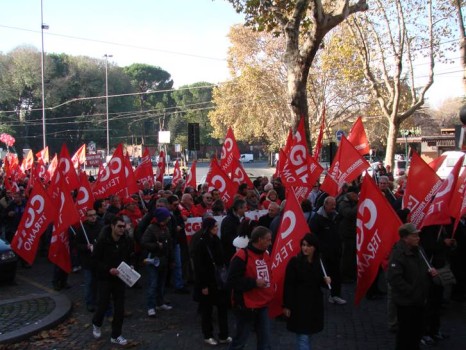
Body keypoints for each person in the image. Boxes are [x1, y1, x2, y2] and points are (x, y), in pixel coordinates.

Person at [387, 223, 438, 350]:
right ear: (405, 238)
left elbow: (424, 267)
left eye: (418, 235)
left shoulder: (419, 250)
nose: (418, 238)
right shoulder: (398, 253)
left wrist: (430, 272)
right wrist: (412, 292)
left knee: (416, 333)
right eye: (414, 235)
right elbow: (395, 279)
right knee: (405, 335)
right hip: (406, 302)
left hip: (419, 300)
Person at [227, 226, 275, 350]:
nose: (270, 243)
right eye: (268, 240)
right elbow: (232, 281)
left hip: (263, 304)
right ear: (260, 240)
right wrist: (254, 283)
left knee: (265, 342)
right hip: (246, 306)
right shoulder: (242, 256)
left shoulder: (266, 254)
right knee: (240, 341)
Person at [283, 233, 331, 350]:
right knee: (303, 336)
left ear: (315, 247)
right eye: (303, 245)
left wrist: (326, 281)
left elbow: (320, 282)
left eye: (308, 245)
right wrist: (287, 305)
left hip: (314, 303)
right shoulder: (294, 262)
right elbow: (288, 285)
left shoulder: (319, 262)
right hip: (299, 304)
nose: (305, 248)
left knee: (308, 334)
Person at [92, 216, 134, 346]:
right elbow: (95, 261)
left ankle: (116, 335)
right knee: (103, 305)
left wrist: (130, 265)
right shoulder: (102, 241)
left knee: (120, 308)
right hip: (105, 278)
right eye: (119, 226)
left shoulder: (126, 240)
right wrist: (108, 269)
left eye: (124, 226)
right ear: (112, 226)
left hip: (119, 278)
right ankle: (97, 323)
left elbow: (129, 255)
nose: (122, 229)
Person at [192, 217, 231, 346]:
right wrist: (203, 285)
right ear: (208, 228)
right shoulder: (201, 243)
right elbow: (199, 266)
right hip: (208, 281)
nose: (216, 228)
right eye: (214, 226)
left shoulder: (216, 240)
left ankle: (224, 335)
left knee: (222, 309)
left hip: (219, 280)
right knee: (207, 311)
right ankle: (208, 335)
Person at [309, 196, 346, 304]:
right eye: (332, 205)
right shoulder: (317, 219)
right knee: (321, 274)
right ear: (325, 205)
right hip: (323, 252)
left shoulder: (336, 216)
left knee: (336, 273)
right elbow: (312, 235)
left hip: (336, 250)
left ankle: (335, 295)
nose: (334, 207)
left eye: (335, 205)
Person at [141, 207, 173, 317]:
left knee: (161, 283)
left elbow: (169, 244)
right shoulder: (151, 228)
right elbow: (144, 242)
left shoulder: (165, 228)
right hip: (153, 260)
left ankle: (160, 303)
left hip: (163, 259)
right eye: (166, 217)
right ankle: (151, 306)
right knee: (153, 284)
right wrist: (156, 246)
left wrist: (170, 258)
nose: (169, 218)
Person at [76, 208, 103, 312]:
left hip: (98, 260)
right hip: (87, 260)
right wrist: (86, 247)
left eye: (94, 215)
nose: (93, 217)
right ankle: (89, 302)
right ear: (86, 217)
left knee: (97, 282)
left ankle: (97, 300)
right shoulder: (82, 228)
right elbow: (77, 245)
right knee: (89, 282)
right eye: (91, 215)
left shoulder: (100, 227)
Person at [221, 199, 246, 265]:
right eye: (244, 208)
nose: (246, 210)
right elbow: (227, 238)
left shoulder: (240, 219)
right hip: (231, 254)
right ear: (239, 209)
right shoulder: (229, 221)